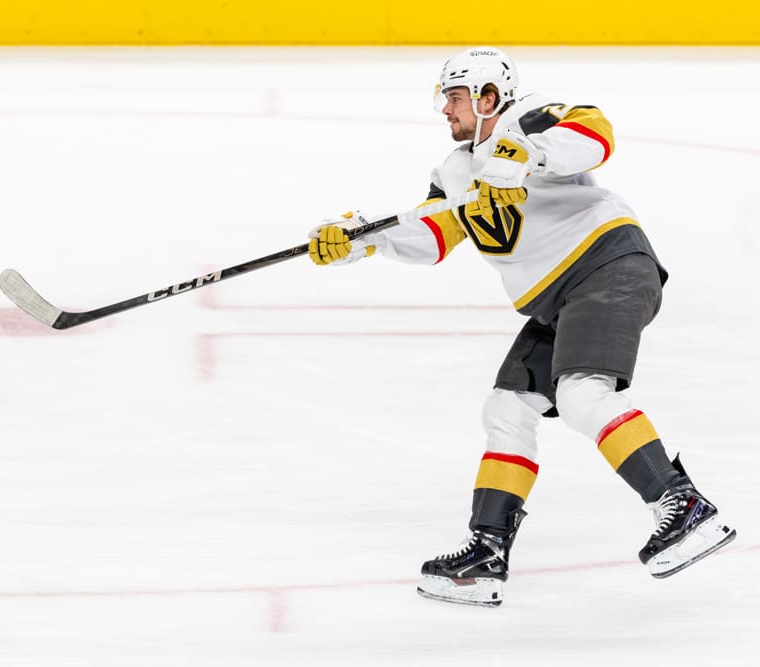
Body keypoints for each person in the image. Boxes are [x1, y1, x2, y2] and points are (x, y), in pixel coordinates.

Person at [306, 46, 736, 607]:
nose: (446, 110)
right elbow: (433, 235)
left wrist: (525, 156)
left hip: (607, 265)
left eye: (455, 98)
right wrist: (363, 240)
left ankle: (684, 505)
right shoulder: (455, 171)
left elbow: (595, 132)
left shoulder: (527, 119)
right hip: (559, 299)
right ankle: (486, 553)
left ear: (488, 97)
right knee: (507, 409)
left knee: (582, 395)